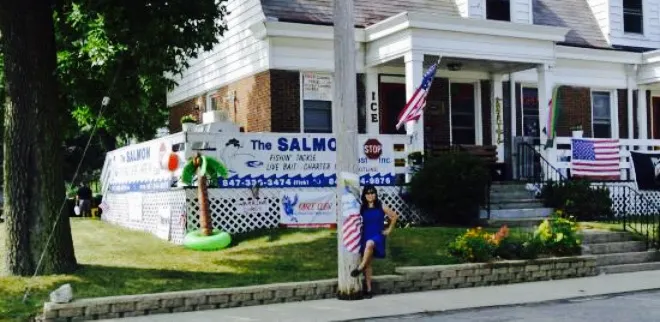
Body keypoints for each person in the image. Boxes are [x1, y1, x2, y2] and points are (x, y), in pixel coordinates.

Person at [350, 185, 399, 298]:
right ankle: (369, 289)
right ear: (365, 195)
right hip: (366, 234)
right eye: (368, 193)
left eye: (372, 193)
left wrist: (389, 230)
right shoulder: (362, 208)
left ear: (375, 194)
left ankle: (360, 267)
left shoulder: (381, 206)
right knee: (369, 263)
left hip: (377, 235)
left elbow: (394, 216)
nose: (370, 195)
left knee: (370, 244)